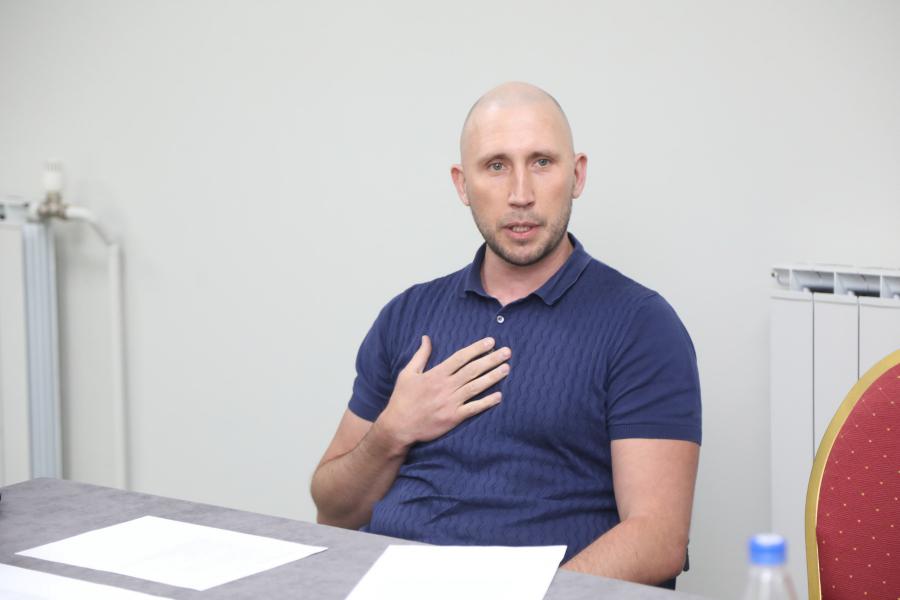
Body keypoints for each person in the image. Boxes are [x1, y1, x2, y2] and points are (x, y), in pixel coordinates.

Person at [310, 82, 701, 588]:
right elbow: (333, 512)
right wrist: (391, 431)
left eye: (542, 162)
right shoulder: (406, 314)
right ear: (462, 184)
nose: (521, 194)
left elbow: (658, 539)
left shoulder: (641, 325)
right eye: (496, 166)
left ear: (577, 174)